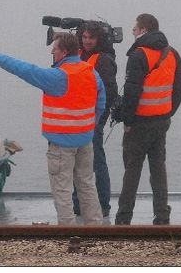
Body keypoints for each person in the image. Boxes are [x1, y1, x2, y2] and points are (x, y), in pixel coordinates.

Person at [0, 32, 105, 225]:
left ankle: (69, 233)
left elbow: (24, 69)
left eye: (55, 48)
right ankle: (96, 227)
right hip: (85, 140)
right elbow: (100, 103)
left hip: (61, 143)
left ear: (63, 52)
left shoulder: (58, 77)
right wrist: (89, 126)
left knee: (62, 190)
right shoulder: (91, 72)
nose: (52, 51)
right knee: (87, 185)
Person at [114, 13, 181, 225]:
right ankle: (162, 214)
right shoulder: (172, 54)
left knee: (132, 170)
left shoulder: (138, 56)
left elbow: (132, 93)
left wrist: (127, 121)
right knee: (158, 169)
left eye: (134, 29)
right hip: (161, 121)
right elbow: (179, 90)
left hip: (140, 123)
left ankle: (124, 217)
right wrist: (167, 113)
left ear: (143, 30)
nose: (133, 33)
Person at [72, 20, 119, 218]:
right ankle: (78, 203)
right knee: (77, 161)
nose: (87, 41)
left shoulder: (104, 60)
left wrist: (99, 116)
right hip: (77, 117)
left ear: (98, 39)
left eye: (91, 38)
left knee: (97, 161)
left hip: (94, 118)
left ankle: (102, 203)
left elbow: (110, 91)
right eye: (84, 37)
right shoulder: (77, 56)